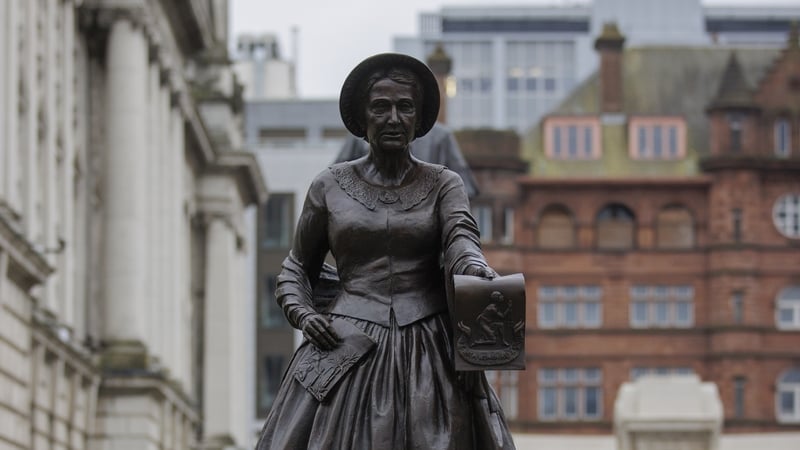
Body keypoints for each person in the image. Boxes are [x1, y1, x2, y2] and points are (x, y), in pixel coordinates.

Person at [256, 53, 515, 450]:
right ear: (363, 118)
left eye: (405, 107)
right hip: (345, 344)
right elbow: (295, 270)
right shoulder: (329, 185)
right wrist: (305, 316)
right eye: (381, 107)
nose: (393, 118)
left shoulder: (445, 183)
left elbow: (461, 238)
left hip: (427, 347)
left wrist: (475, 268)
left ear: (418, 117)